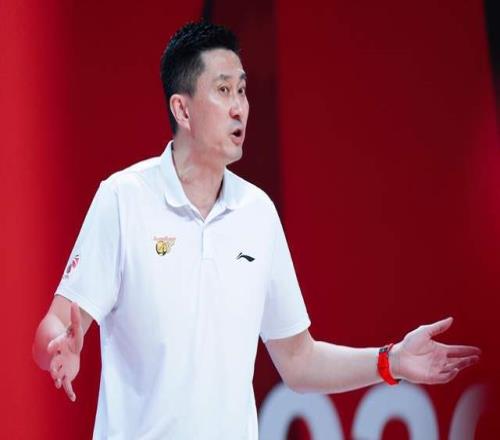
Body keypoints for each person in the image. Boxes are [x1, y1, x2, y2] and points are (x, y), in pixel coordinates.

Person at [32, 22, 480, 439]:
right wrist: (58, 346)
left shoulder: (258, 213)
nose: (239, 107)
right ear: (182, 109)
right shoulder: (123, 199)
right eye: (223, 90)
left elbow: (298, 361)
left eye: (242, 90)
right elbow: (54, 323)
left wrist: (391, 361)